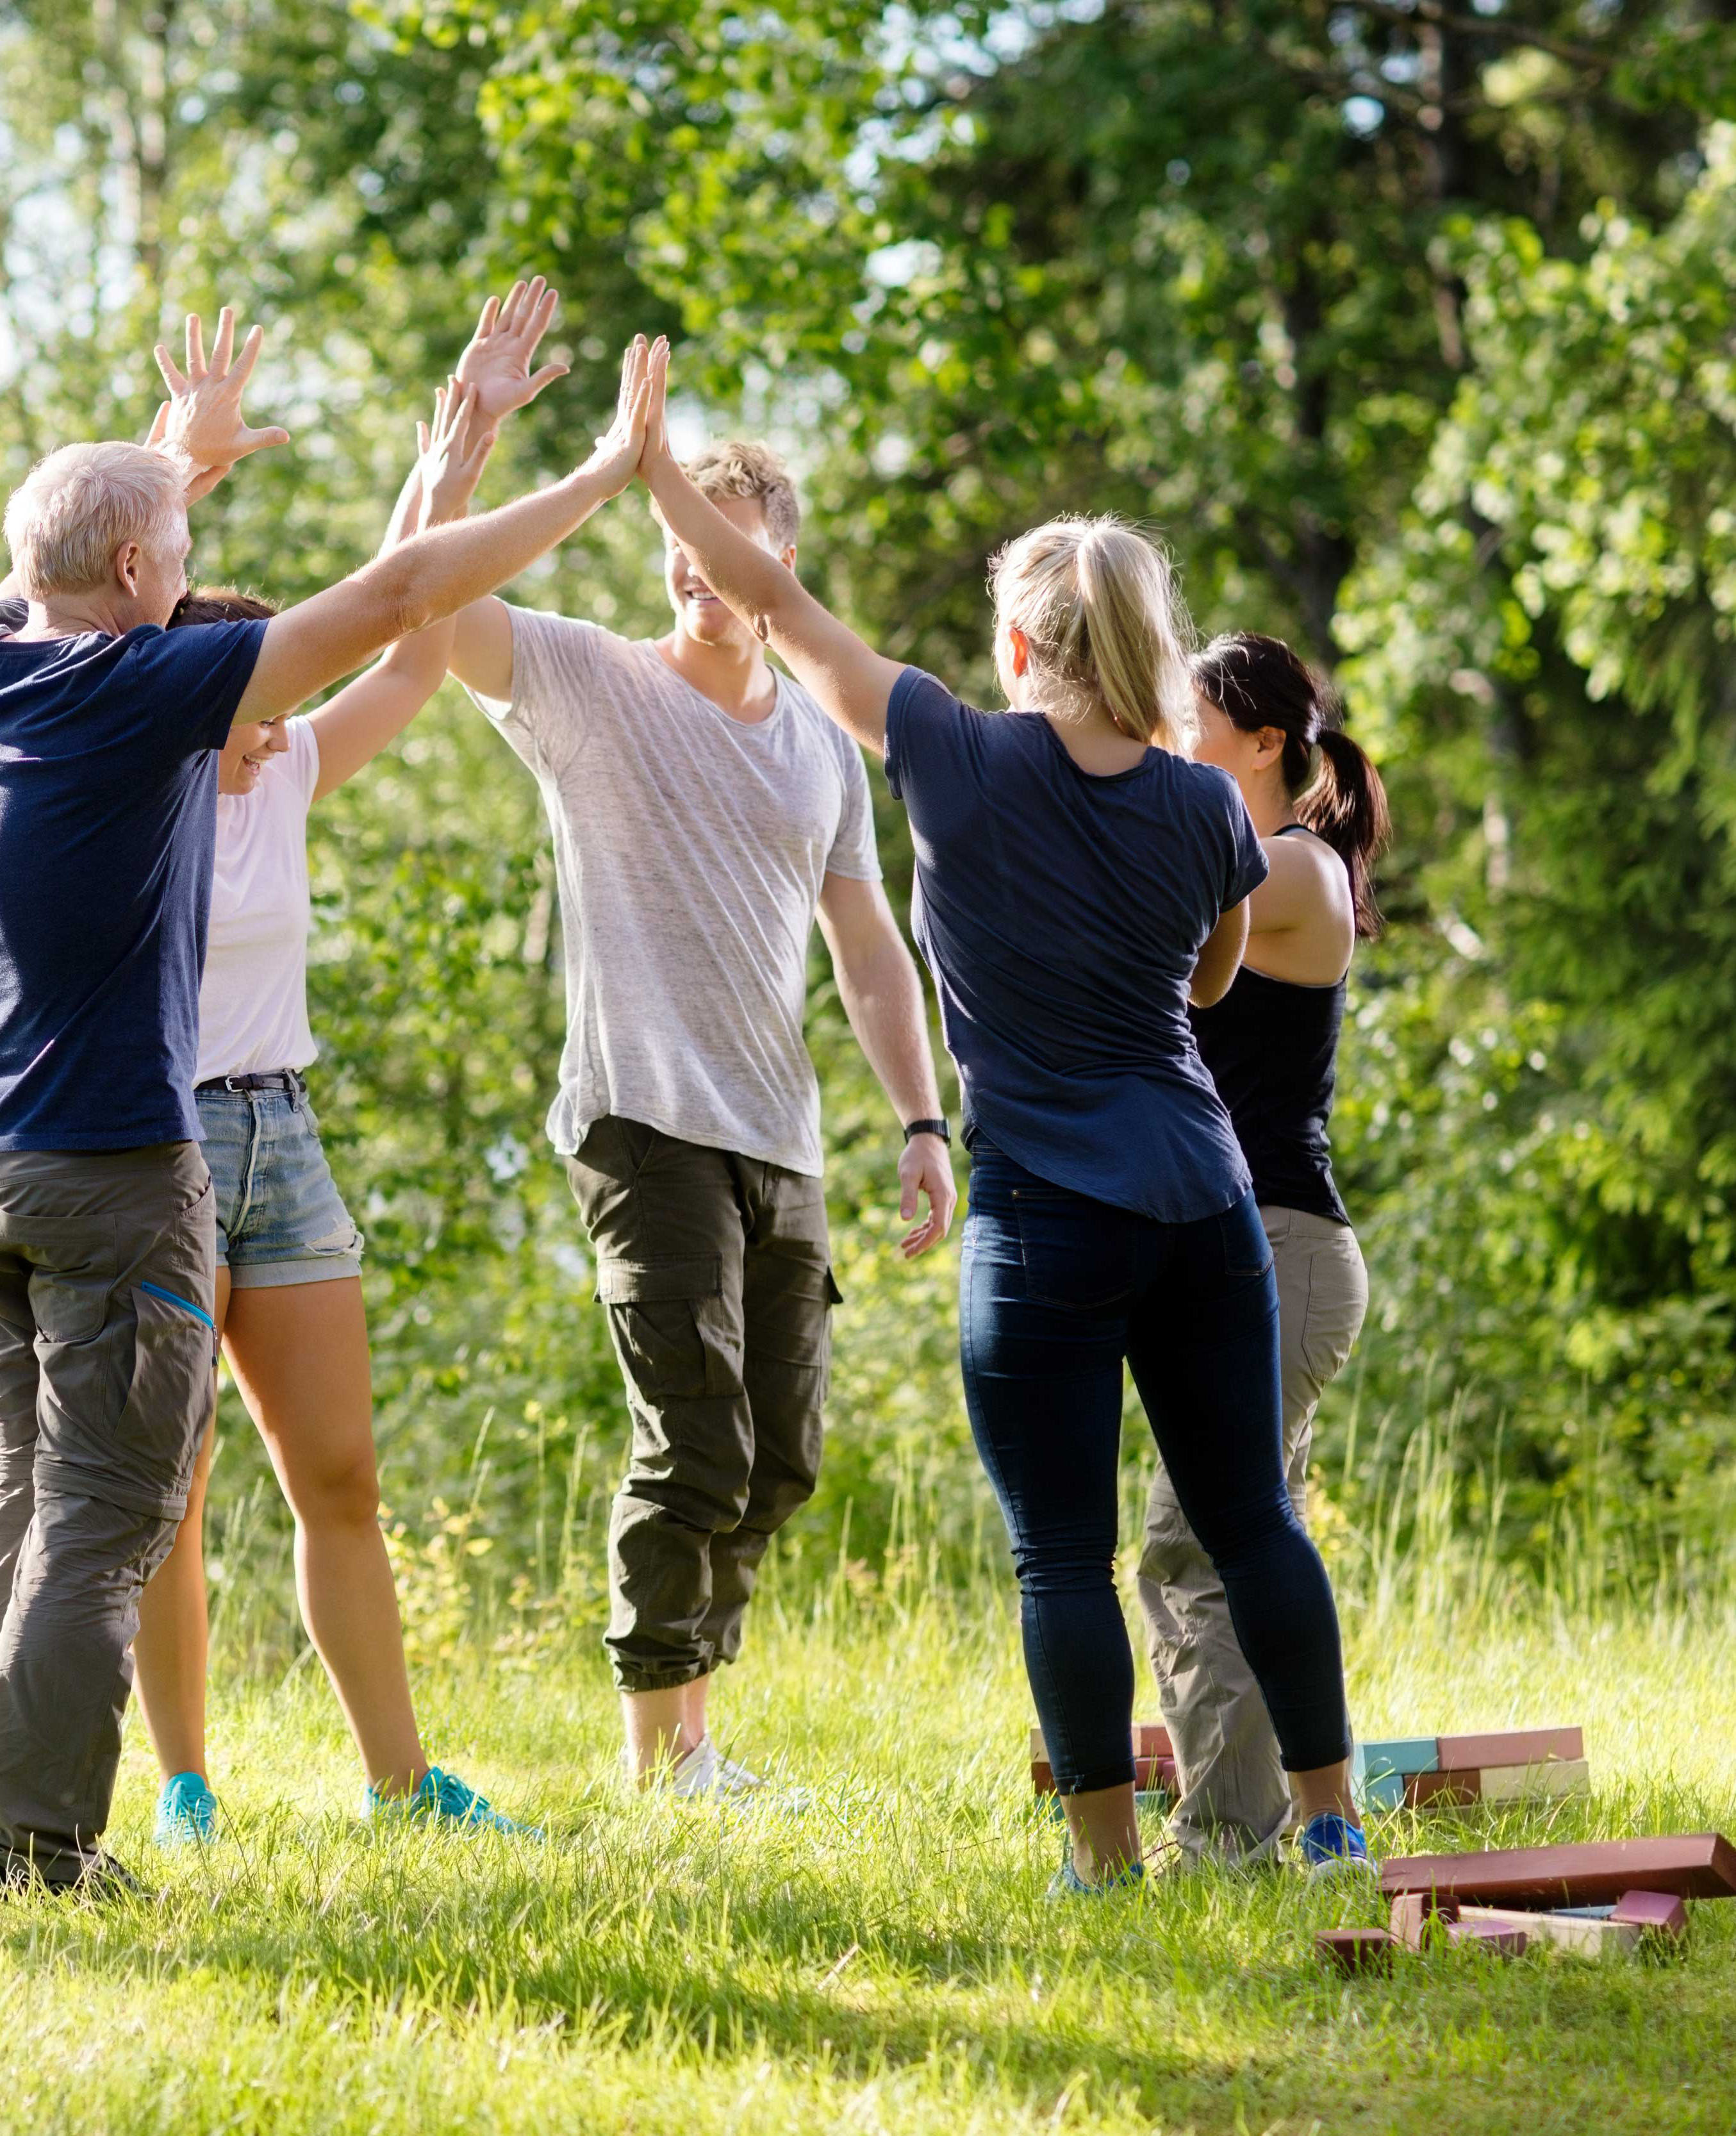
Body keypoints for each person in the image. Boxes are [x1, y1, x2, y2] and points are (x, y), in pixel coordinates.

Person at [0, 302, 665, 1894]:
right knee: (111, 1516)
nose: (186, 566)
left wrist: (171, 456)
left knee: (27, 1493)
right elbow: (404, 596)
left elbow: (67, 551)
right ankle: (37, 1848)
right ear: (140, 583)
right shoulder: (143, 696)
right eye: (174, 544)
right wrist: (606, 470)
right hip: (116, 1161)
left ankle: (5, 1822)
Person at [631, 340, 1369, 1890]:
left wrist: (647, 465)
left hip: (1043, 1209)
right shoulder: (1196, 801)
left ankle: (1102, 1862)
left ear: (1021, 644)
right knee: (1252, 1517)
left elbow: (771, 608)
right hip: (1203, 1196)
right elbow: (1213, 980)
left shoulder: (950, 754)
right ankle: (1327, 1825)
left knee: (1061, 1552)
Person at [443, 407, 956, 1800]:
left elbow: (864, 945)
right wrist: (499, 455)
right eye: (674, 546)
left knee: (778, 1457)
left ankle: (694, 1740)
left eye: (721, 550)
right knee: (693, 1436)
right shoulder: (588, 681)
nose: (693, 572)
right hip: (640, 1115)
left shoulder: (819, 748)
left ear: (778, 561)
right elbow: (429, 598)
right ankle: (655, 1758)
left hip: (778, 1133)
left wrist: (920, 1119)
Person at [133, 296, 581, 1843]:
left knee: (341, 1472)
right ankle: (186, 1785)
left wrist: (456, 456)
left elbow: (399, 632)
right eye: (248, 698)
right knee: (165, 1494)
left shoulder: (294, 764)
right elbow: (82, 608)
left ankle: (403, 1783)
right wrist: (166, 468)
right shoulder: (132, 791)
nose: (273, 721)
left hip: (282, 1137)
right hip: (158, 1151)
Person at [1136, 631, 1391, 1867]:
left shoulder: (1292, 871)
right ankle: (1305, 1815)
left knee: (1194, 1537)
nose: (1165, 736)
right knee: (1240, 1531)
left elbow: (1153, 943)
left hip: (1280, 1246)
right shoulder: (1264, 859)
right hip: (1258, 1245)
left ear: (1259, 740)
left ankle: (1224, 1837)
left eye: (1183, 717)